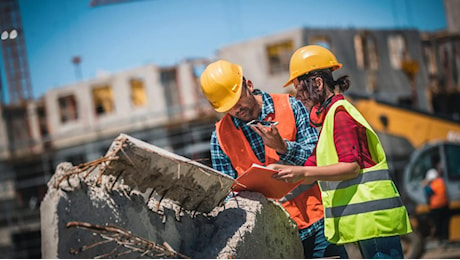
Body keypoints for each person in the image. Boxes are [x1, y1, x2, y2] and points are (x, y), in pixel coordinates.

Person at [267, 45, 413, 258]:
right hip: (367, 221)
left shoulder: (340, 115)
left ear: (317, 82)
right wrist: (279, 173)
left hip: (374, 219)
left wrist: (304, 174)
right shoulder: (329, 118)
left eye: (300, 88)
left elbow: (351, 167)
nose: (298, 96)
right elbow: (312, 166)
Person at [199, 59, 349, 258]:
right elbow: (226, 195)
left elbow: (319, 159)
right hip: (271, 239)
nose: (237, 108)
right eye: (229, 106)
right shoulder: (220, 137)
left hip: (317, 226)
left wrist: (283, 147)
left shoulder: (290, 106)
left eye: (238, 99)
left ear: (249, 85)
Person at [422, 157, 449, 243]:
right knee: (445, 224)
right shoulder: (441, 181)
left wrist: (425, 184)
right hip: (444, 205)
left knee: (438, 224)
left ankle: (440, 239)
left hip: (436, 207)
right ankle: (445, 238)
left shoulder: (432, 185)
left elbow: (428, 192)